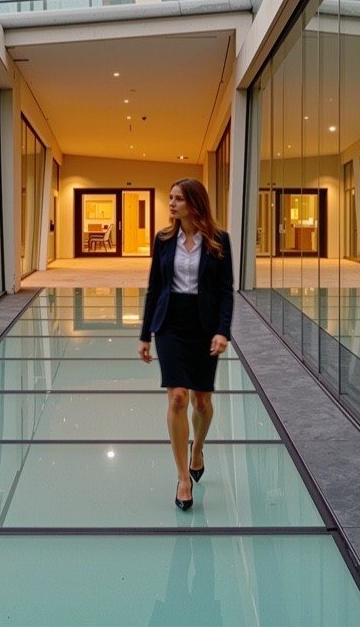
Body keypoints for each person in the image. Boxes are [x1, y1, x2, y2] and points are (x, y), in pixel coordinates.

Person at [138, 178, 234, 511]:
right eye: (170, 197)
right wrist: (144, 334)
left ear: (194, 203)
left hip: (204, 326)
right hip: (171, 324)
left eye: (178, 198)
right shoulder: (163, 240)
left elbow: (225, 291)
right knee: (178, 397)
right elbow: (154, 287)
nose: (171, 203)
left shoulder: (219, 240)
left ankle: (198, 448)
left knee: (202, 403)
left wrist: (223, 331)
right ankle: (182, 478)